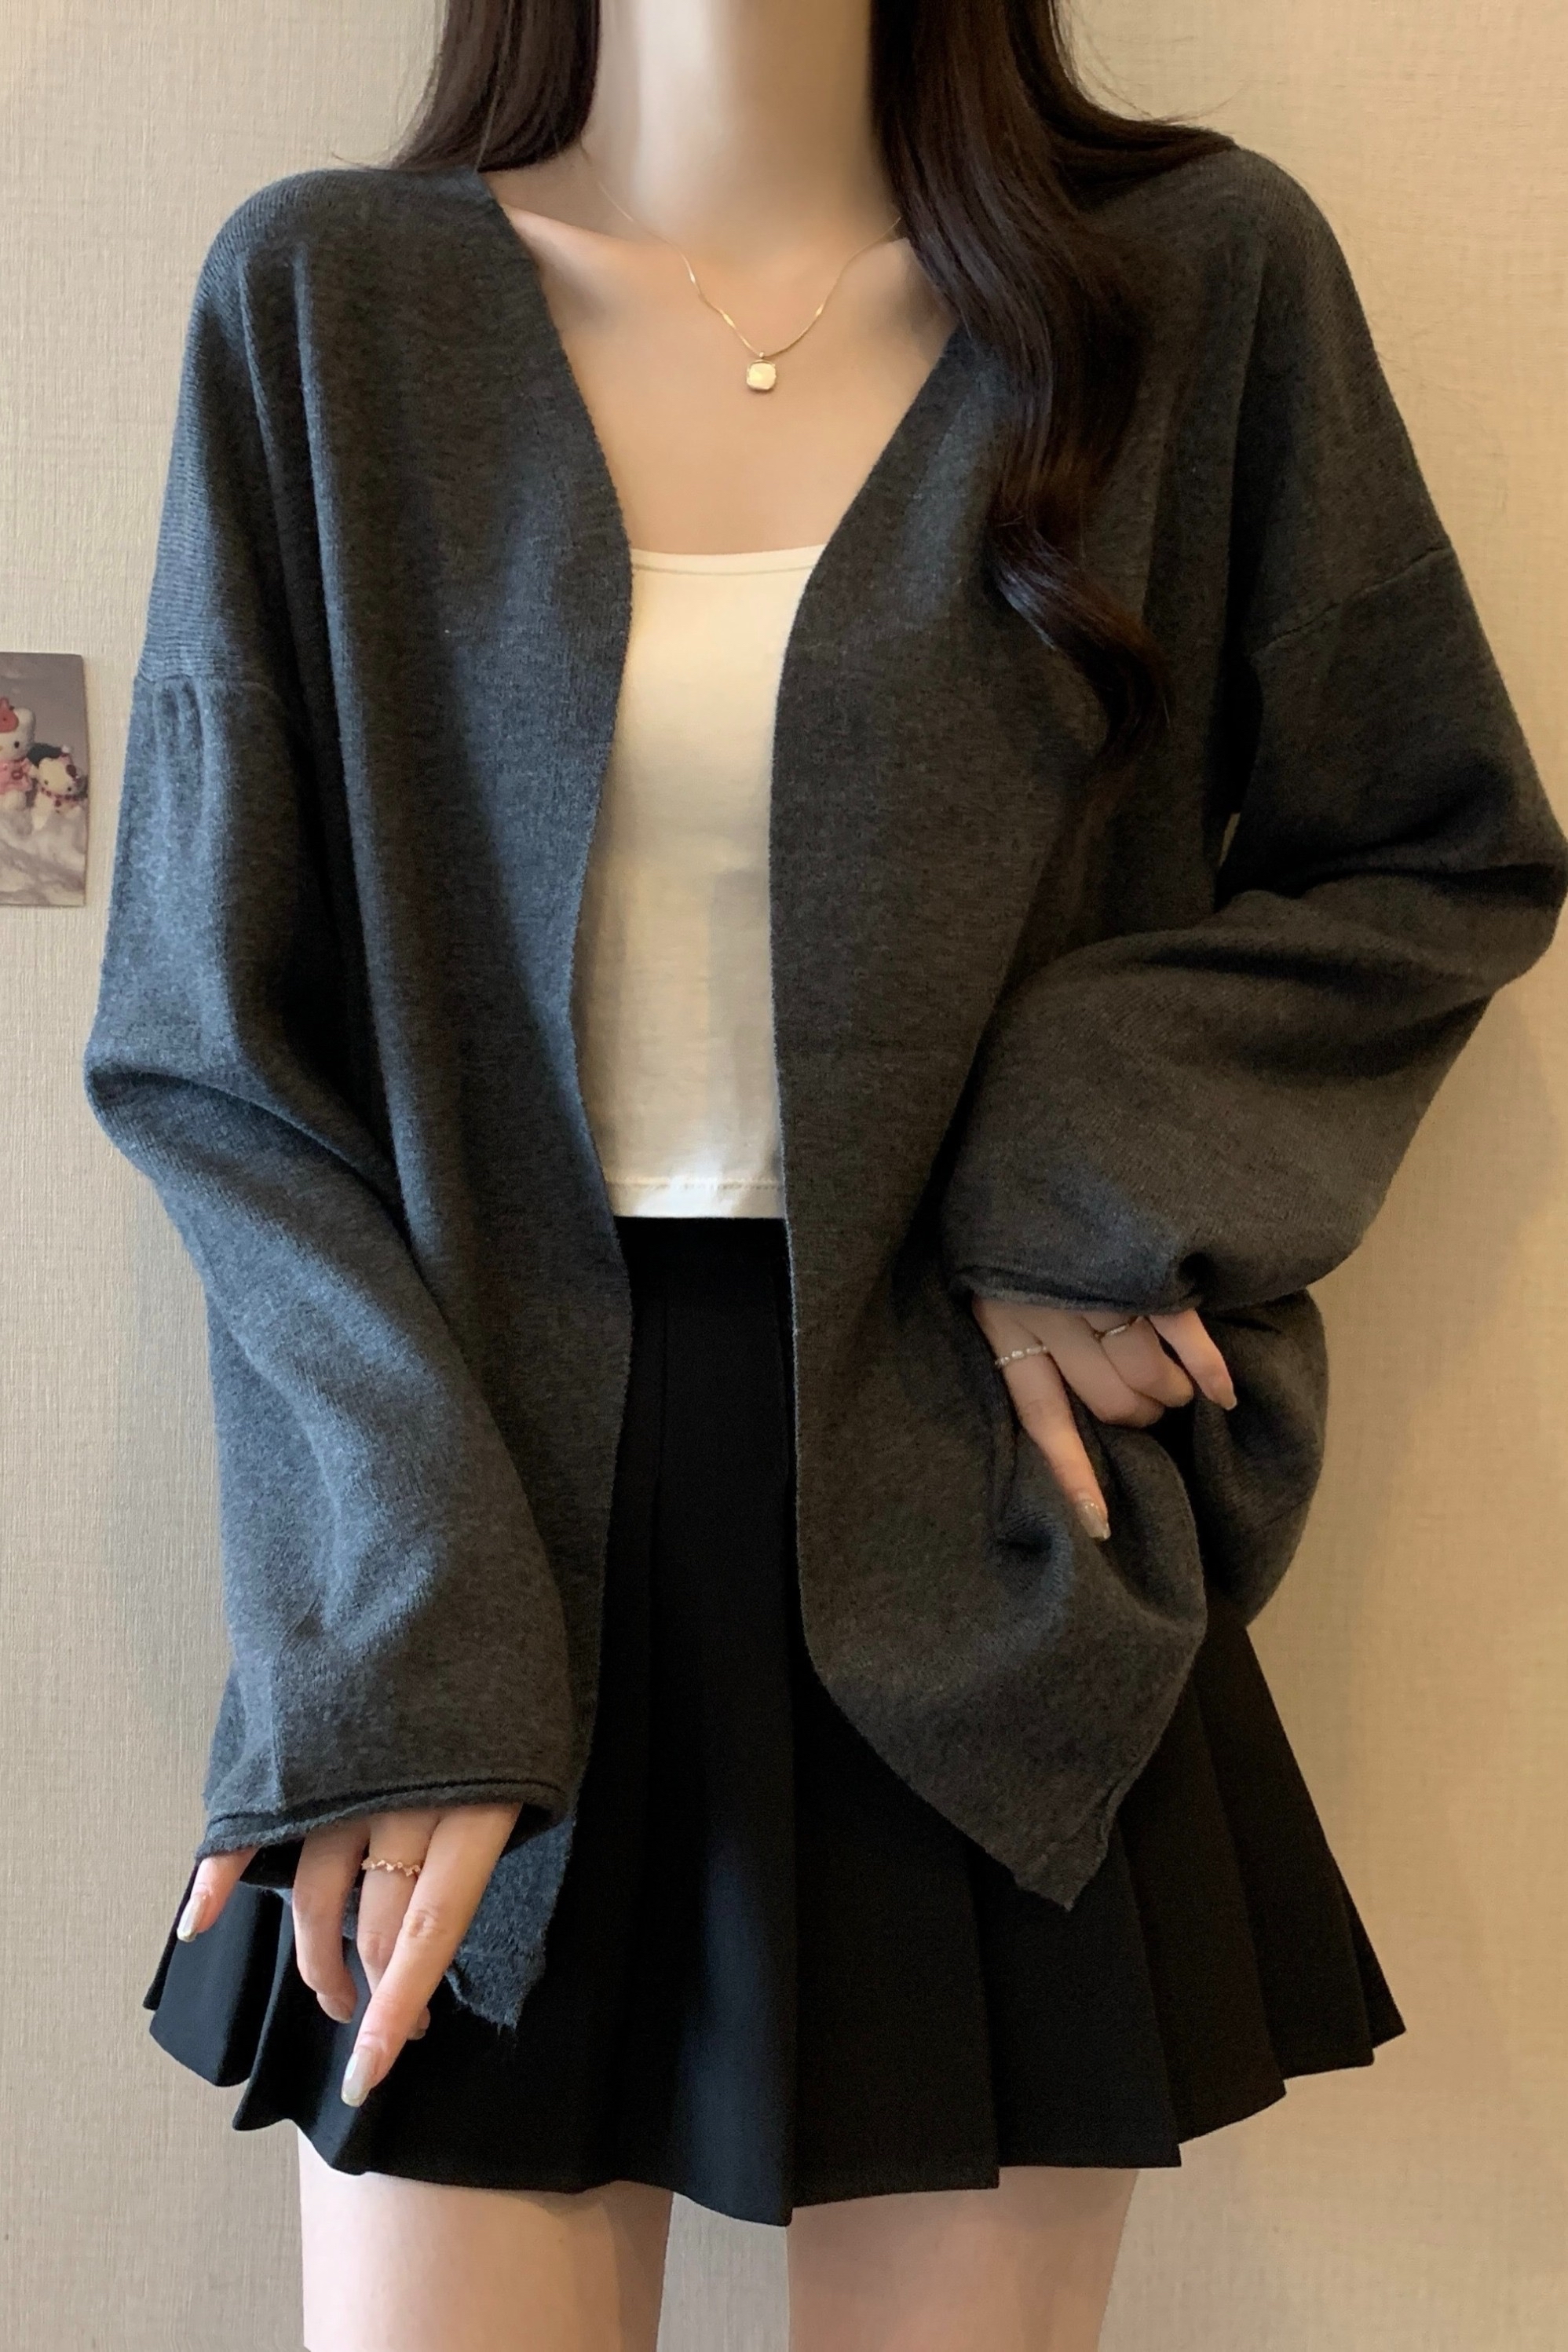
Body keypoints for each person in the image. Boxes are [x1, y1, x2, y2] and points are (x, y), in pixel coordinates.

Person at [82, 2, 1566, 2347]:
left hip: (979, 1517)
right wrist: (390, 1626)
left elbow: (1434, 847)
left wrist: (1078, 1166)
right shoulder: (327, 306)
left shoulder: (1193, 286)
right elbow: (210, 1045)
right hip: (470, 1517)